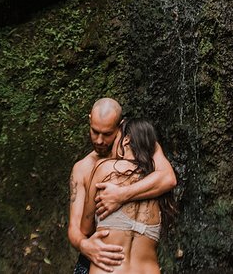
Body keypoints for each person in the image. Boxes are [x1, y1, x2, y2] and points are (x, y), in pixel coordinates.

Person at [68, 98, 176, 273]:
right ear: (89, 121)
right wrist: (83, 244)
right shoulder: (83, 168)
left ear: (120, 127)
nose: (99, 140)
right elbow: (76, 228)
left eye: (107, 134)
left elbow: (168, 178)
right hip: (98, 256)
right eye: (95, 132)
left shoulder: (143, 144)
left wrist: (121, 195)